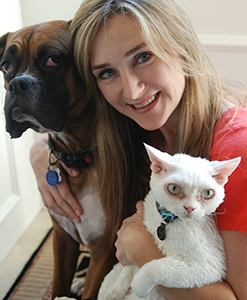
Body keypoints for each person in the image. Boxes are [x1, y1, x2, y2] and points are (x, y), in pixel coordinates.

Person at [30, 0, 247, 299]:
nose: (131, 91)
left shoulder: (237, 155)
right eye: (106, 73)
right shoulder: (137, 125)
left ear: (181, 47)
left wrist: (147, 254)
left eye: (143, 57)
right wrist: (41, 152)